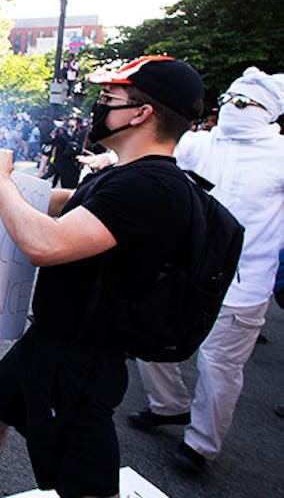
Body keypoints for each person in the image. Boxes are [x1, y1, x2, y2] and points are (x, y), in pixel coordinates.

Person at [0, 55, 205, 498]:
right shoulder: (128, 175)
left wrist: (1, 181)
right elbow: (71, 203)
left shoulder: (149, 187)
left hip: (81, 362)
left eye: (108, 99)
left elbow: (47, 245)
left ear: (141, 112)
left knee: (85, 485)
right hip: (52, 342)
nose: (98, 107)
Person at [129, 67, 284, 473]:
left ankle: (201, 444)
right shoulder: (200, 144)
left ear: (267, 110)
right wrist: (108, 159)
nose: (233, 108)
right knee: (149, 338)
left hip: (244, 283)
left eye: (245, 102)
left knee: (219, 368)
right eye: (228, 99)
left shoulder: (281, 156)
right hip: (184, 271)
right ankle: (167, 406)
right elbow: (152, 152)